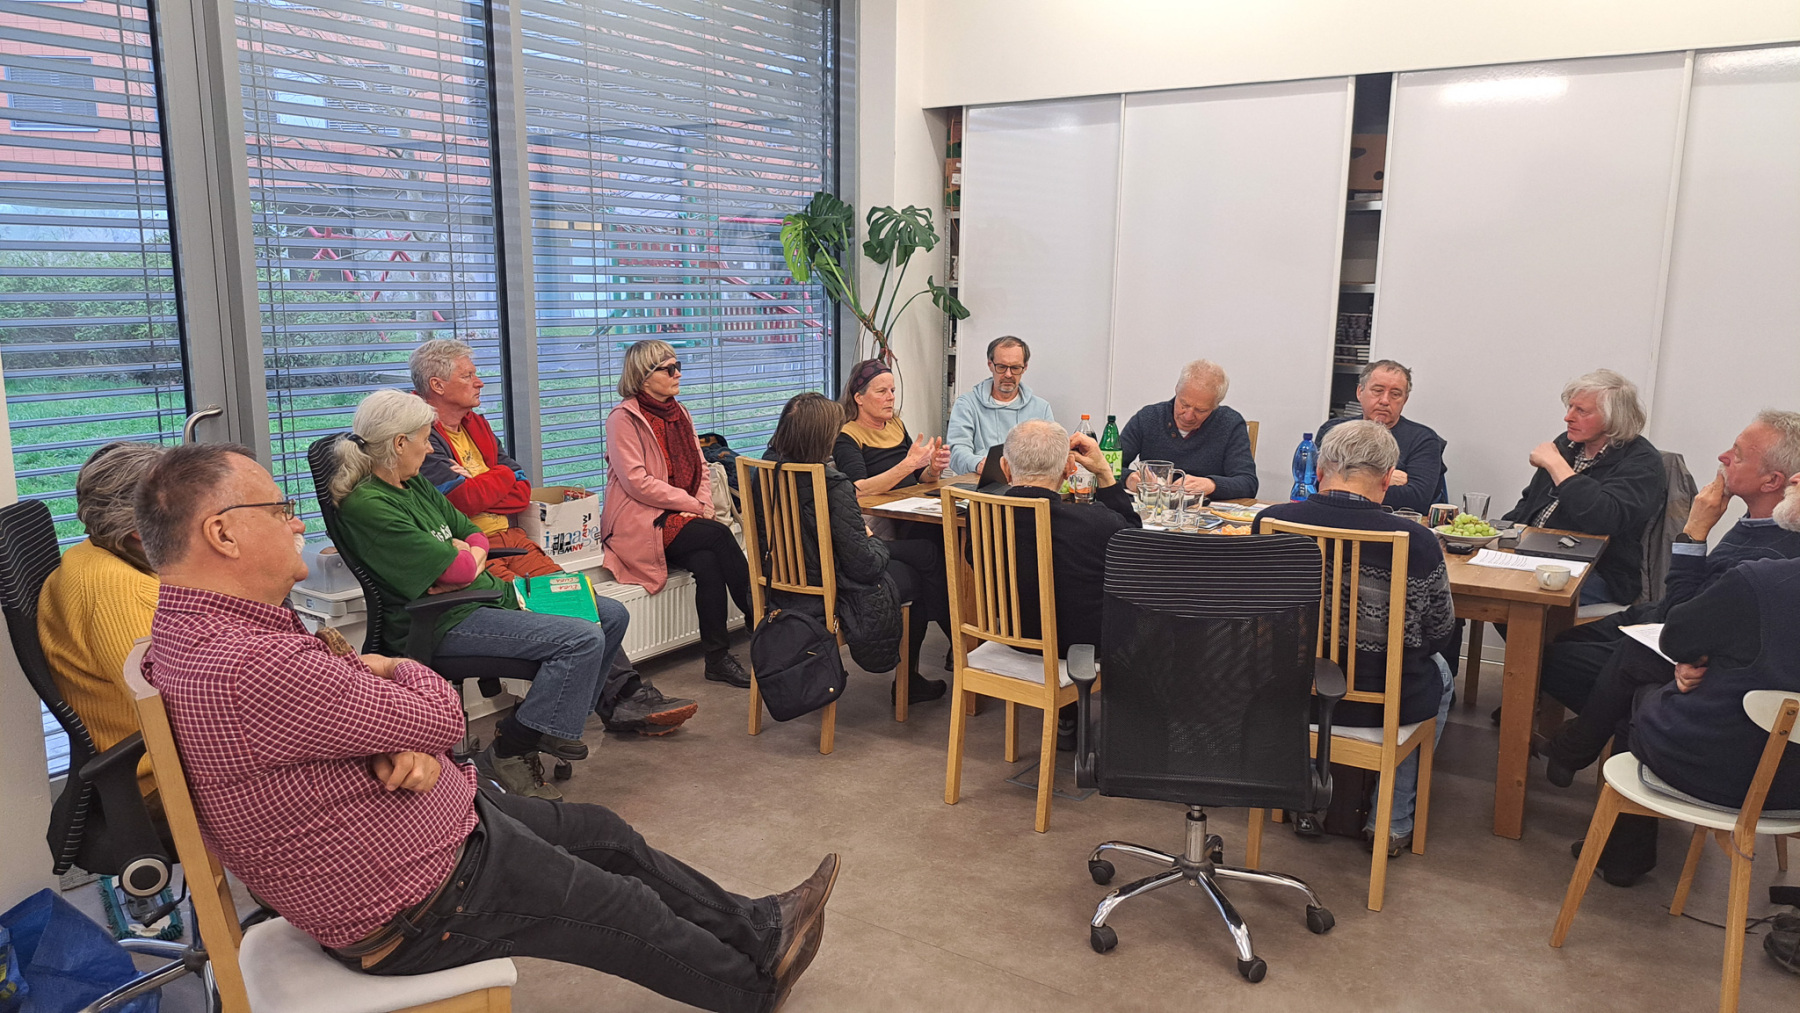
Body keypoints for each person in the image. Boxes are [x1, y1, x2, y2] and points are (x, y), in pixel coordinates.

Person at [134, 442, 837, 1012]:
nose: (297, 524)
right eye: (280, 509)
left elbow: (352, 725)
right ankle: (750, 990)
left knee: (604, 833)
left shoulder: (199, 633)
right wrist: (396, 682)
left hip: (428, 828)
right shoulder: (249, 663)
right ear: (221, 532)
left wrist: (398, 733)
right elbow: (442, 712)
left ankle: (757, 928)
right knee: (619, 909)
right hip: (418, 895)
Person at [330, 390, 622, 801]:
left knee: (610, 614)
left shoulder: (413, 484)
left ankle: (546, 726)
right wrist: (464, 563)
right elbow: (461, 569)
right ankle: (510, 750)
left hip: (485, 596)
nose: (429, 448)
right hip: (443, 621)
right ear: (399, 443)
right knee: (582, 638)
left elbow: (471, 534)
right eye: (424, 439)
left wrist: (466, 556)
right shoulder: (370, 505)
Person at [409, 338, 695, 738]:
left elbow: (520, 487)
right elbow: (462, 500)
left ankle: (619, 698)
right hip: (473, 551)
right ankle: (591, 711)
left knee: (578, 600)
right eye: (468, 375)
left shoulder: (476, 425)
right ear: (438, 385)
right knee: (564, 616)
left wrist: (486, 479)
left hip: (511, 537)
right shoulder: (417, 434)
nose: (480, 382)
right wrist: (490, 482)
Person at [1546, 472, 1800, 887]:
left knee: (1636, 689)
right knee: (1632, 666)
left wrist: (1694, 534)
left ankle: (1579, 761)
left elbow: (1677, 635)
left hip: (1724, 773)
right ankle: (1615, 840)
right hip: (1793, 786)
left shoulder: (1766, 579)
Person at [1256, 421, 1457, 856]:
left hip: (1286, 695)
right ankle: (1391, 820)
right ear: (1387, 481)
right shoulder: (1418, 541)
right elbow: (1440, 631)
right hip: (1382, 704)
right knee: (1441, 672)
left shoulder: (1272, 521)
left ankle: (1303, 796)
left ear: (1320, 469)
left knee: (1297, 653)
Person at [1540, 411, 1800, 718]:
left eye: (1738, 455)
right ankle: (1596, 725)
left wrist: (1694, 532)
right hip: (1664, 618)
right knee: (1560, 637)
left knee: (1551, 660)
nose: (1723, 457)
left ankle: (1621, 723)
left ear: (1772, 481)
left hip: (1682, 646)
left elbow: (1686, 616)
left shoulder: (1773, 554)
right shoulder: (1755, 522)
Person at [762, 392, 950, 703]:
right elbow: (864, 565)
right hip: (833, 582)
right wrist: (871, 538)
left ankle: (941, 653)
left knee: (923, 553)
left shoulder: (764, 472)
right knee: (921, 569)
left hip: (785, 581)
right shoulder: (832, 483)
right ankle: (922, 671)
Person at [602, 340, 754, 688]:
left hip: (682, 516)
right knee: (718, 536)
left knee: (708, 562)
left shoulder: (680, 412)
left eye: (678, 366)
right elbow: (637, 482)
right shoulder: (622, 419)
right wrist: (692, 506)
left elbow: (701, 466)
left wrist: (701, 505)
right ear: (644, 376)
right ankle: (761, 617)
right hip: (641, 522)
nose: (678, 374)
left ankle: (717, 660)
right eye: (669, 369)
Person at [999, 418, 1142, 748]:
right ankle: (1137, 735)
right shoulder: (1095, 522)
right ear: (1068, 469)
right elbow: (1135, 547)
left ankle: (1069, 717)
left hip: (1012, 636)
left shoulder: (985, 517)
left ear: (1006, 468)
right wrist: (1105, 474)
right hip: (1079, 646)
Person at [37, 441, 167, 800]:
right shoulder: (121, 592)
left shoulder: (90, 554)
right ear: (142, 529)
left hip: (150, 763)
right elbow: (189, 714)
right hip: (160, 782)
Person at [1500, 369, 1665, 607]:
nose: (1568, 417)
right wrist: (1497, 535)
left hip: (1598, 570)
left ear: (1614, 417)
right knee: (1458, 577)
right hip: (1531, 553)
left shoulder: (1642, 462)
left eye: (1581, 411)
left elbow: (1604, 517)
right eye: (1570, 407)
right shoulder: (1566, 444)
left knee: (1516, 596)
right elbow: (1529, 504)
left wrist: (1556, 465)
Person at [1315, 359, 1447, 514]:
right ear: (1360, 392)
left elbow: (1416, 499)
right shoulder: (1333, 430)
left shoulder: (1423, 439)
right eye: (1377, 391)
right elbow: (1314, 485)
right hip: (1332, 517)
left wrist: (1345, 480)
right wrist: (1379, 480)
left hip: (1392, 524)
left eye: (1395, 394)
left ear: (1405, 400)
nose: (1385, 401)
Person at [1119, 359, 1257, 501]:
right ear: (1176, 389)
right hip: (1151, 506)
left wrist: (1211, 484)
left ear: (1215, 405)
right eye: (1183, 405)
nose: (1188, 416)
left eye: (1200, 410)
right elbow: (1108, 466)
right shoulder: (1148, 418)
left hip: (1202, 509)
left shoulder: (1230, 424)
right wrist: (1128, 478)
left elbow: (1248, 483)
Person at [834, 358, 952, 497]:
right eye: (881, 391)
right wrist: (908, 465)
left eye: (892, 390)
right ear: (859, 398)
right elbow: (859, 490)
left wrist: (934, 469)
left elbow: (921, 476)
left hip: (911, 500)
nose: (891, 397)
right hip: (878, 508)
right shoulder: (847, 435)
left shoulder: (896, 424)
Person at [943, 336, 1056, 476]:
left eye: (1015, 368)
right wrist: (978, 464)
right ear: (990, 364)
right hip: (978, 484)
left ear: (1025, 367)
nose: (1008, 374)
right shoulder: (967, 404)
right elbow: (956, 452)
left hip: (1027, 484)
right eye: (1001, 367)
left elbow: (1050, 455)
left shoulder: (1041, 408)